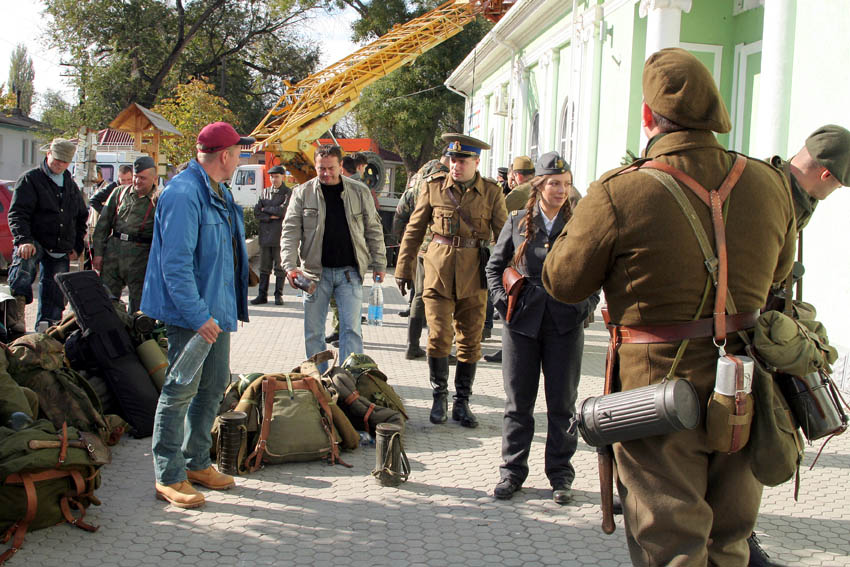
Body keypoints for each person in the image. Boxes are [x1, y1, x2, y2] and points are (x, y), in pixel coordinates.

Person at [541, 48, 796, 565]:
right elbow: (780, 273)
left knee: (672, 545)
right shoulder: (769, 184)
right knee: (730, 541)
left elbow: (562, 281)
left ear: (648, 116)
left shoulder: (621, 190)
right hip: (743, 383)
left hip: (656, 388)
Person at [745, 125, 850, 567]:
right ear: (826, 175)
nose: (834, 193)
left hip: (755, 331)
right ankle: (736, 537)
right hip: (737, 336)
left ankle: (737, 533)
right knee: (752, 436)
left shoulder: (786, 193)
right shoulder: (770, 194)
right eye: (838, 185)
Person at [141, 121, 252, 509]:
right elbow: (175, 266)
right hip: (193, 317)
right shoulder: (184, 193)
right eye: (238, 153)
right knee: (180, 389)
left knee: (214, 384)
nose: (240, 159)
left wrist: (220, 312)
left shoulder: (217, 190)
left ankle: (197, 462)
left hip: (215, 313)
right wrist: (197, 315)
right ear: (225, 155)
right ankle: (169, 475)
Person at [486, 151, 599, 504]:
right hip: (522, 321)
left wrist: (585, 307)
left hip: (565, 323)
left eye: (566, 184)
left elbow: (595, 271)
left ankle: (561, 476)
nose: (561, 190)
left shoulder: (580, 223)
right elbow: (494, 267)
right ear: (539, 185)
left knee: (562, 404)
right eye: (554, 183)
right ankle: (512, 472)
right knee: (518, 402)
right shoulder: (518, 220)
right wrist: (504, 305)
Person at [395, 133, 507, 428]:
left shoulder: (492, 193)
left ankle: (462, 402)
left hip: (475, 275)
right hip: (438, 272)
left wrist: (508, 277)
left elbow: (504, 237)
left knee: (470, 342)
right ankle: (439, 397)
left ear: (476, 162)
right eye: (453, 160)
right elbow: (414, 229)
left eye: (463, 161)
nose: (456, 166)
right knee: (439, 336)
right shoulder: (433, 187)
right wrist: (403, 268)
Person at [281, 144, 386, 373]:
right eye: (321, 168)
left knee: (352, 330)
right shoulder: (302, 193)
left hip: (350, 274)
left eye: (331, 168)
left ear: (340, 166)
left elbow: (373, 229)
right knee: (314, 333)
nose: (326, 173)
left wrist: (380, 263)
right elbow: (290, 232)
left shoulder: (359, 191)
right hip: (314, 275)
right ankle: (319, 380)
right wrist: (289, 266)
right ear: (315, 166)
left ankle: (350, 379)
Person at [7, 138, 88, 333]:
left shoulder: (70, 185)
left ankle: (48, 330)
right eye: (57, 159)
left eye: (64, 162)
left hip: (60, 245)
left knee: (55, 291)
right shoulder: (30, 179)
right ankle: (15, 314)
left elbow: (80, 218)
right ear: (48, 154)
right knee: (23, 266)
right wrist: (23, 240)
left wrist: (77, 246)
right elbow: (17, 213)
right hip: (34, 240)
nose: (59, 164)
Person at [392, 155, 450, 359]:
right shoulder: (444, 180)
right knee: (439, 296)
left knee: (419, 295)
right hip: (438, 245)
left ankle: (412, 344)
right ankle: (438, 347)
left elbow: (401, 211)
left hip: (418, 246)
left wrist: (401, 241)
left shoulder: (417, 180)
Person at [91, 156, 159, 313]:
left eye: (143, 178)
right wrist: (98, 253)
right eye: (135, 177)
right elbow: (103, 225)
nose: (137, 181)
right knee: (106, 301)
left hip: (141, 258)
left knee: (139, 307)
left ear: (154, 178)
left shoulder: (159, 199)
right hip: (113, 255)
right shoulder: (119, 193)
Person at [250, 165, 291, 306]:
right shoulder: (265, 192)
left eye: (277, 176)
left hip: (279, 236)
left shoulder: (287, 193)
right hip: (265, 236)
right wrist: (270, 216)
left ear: (282, 177)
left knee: (280, 268)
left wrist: (266, 209)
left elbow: (283, 211)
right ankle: (262, 295)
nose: (274, 179)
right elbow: (257, 212)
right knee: (264, 268)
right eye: (272, 177)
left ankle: (278, 295)